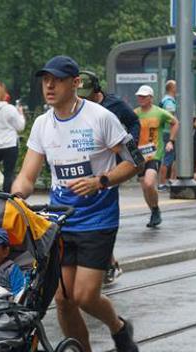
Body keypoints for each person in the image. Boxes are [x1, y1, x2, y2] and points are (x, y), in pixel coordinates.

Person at [11, 55, 140, 352]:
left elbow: (134, 162)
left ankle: (119, 327)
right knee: (64, 300)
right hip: (62, 221)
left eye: (57, 80)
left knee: (84, 295)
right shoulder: (42, 124)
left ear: (76, 83)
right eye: (45, 80)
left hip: (98, 219)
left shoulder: (101, 117)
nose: (49, 86)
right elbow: (27, 176)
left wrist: (101, 181)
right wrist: (15, 197)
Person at [77, 70, 141, 284]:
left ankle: (107, 263)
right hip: (86, 167)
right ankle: (107, 262)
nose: (83, 99)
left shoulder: (113, 106)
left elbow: (134, 122)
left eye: (87, 94)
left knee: (99, 217)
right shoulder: (75, 108)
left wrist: (130, 144)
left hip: (111, 168)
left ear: (97, 89)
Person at [133, 84, 177, 228]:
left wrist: (171, 141)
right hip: (139, 155)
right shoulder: (134, 113)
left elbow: (175, 122)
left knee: (149, 183)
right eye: (139, 96)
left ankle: (156, 208)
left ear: (151, 98)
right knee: (145, 187)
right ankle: (154, 212)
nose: (141, 98)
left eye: (144, 96)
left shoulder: (159, 112)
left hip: (154, 154)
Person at [158, 80, 178, 190]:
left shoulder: (165, 100)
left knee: (172, 157)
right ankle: (162, 183)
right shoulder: (169, 102)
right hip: (168, 133)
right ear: (172, 88)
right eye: (176, 86)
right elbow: (171, 119)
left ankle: (171, 180)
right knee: (167, 157)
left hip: (166, 132)